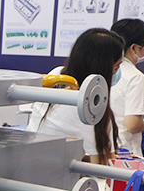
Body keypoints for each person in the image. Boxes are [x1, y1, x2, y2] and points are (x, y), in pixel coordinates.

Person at [28, 28, 124, 165]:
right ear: (103, 68)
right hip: (62, 174)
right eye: (116, 67)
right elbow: (103, 166)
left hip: (32, 164)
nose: (117, 73)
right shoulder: (92, 108)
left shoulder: (56, 75)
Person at [110, 19, 144, 156]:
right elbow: (133, 125)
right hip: (124, 152)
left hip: (102, 147)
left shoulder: (102, 69)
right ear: (134, 48)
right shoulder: (136, 77)